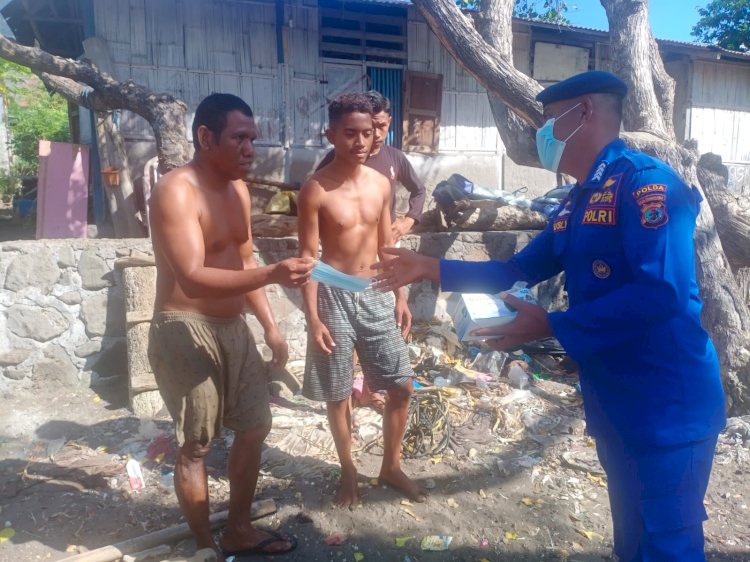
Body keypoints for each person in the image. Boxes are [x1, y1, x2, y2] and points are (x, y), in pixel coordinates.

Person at [372, 71, 726, 561]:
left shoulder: (646, 185)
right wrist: (429, 266)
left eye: (548, 121)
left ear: (584, 113)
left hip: (667, 401)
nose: (542, 134)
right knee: (632, 538)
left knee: (668, 542)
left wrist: (552, 325)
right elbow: (517, 268)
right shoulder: (580, 199)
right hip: (615, 399)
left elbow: (662, 293)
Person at [147, 93, 315, 560]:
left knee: (256, 425)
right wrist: (274, 275)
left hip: (233, 327)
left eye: (253, 139)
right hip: (183, 326)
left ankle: (238, 528)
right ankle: (206, 546)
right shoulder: (175, 190)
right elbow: (192, 276)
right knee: (197, 445)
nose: (250, 149)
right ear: (205, 137)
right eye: (239, 138)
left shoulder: (238, 191)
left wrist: (270, 325)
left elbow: (244, 258)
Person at [298, 92, 425, 509]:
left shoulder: (381, 185)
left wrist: (400, 294)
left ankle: (390, 466)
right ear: (331, 134)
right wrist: (312, 318)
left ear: (375, 135)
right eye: (349, 133)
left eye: (367, 133)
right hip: (333, 291)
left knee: (402, 386)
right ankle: (348, 471)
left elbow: (386, 245)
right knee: (338, 393)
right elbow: (308, 260)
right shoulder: (314, 190)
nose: (359, 141)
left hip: (373, 291)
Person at [318, 90, 427, 411]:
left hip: (384, 253)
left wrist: (408, 219)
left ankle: (369, 389)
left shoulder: (395, 159)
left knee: (379, 331)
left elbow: (419, 190)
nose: (372, 137)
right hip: (343, 271)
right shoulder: (336, 160)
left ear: (388, 123)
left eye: (378, 127)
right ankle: (352, 390)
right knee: (348, 336)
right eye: (365, 129)